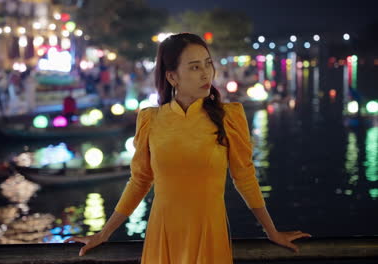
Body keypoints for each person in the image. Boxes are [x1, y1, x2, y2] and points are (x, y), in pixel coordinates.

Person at [65, 33, 311, 263]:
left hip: (209, 236)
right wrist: (104, 233)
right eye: (195, 67)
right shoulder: (150, 119)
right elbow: (140, 180)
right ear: (172, 77)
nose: (206, 74)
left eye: (208, 64)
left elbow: (244, 176)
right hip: (162, 236)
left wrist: (272, 231)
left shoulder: (229, 117)